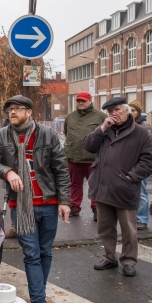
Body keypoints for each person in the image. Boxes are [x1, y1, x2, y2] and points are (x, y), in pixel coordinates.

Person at [0, 95, 71, 303]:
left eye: (17, 109)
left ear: (29, 112)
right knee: (32, 253)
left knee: (45, 252)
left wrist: (65, 202)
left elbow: (61, 170)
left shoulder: (47, 134)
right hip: (20, 205)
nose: (12, 112)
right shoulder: (1, 136)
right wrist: (8, 171)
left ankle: (38, 295)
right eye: (9, 109)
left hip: (48, 202)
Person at [83, 98, 152, 278]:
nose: (113, 114)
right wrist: (101, 129)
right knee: (105, 227)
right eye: (110, 112)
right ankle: (109, 257)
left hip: (125, 188)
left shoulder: (141, 133)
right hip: (103, 187)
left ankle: (129, 261)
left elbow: (150, 161)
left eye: (116, 110)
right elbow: (88, 146)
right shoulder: (105, 130)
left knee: (128, 229)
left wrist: (131, 176)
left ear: (127, 111)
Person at [63, 91, 107, 221]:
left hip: (92, 158)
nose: (81, 103)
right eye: (78, 101)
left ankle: (97, 209)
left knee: (95, 184)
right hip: (74, 157)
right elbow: (66, 133)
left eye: (83, 101)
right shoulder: (70, 117)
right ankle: (74, 206)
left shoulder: (101, 116)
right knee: (74, 184)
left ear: (90, 101)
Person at [129, 100, 151, 231]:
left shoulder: (144, 126)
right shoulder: (123, 125)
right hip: (126, 164)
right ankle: (131, 219)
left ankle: (142, 219)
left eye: (134, 110)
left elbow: (147, 149)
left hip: (140, 164)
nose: (131, 113)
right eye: (129, 110)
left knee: (141, 192)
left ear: (138, 112)